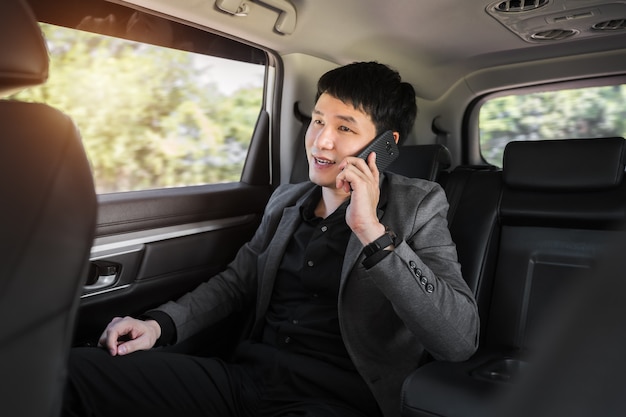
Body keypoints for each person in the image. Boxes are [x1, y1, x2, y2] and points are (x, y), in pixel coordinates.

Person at [63, 61, 479, 417]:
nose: (321, 141)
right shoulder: (287, 200)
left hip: (338, 400)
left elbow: (457, 340)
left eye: (344, 128)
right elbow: (236, 282)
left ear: (384, 146)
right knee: (71, 373)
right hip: (244, 379)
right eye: (317, 121)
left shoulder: (420, 205)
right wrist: (159, 324)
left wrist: (372, 231)